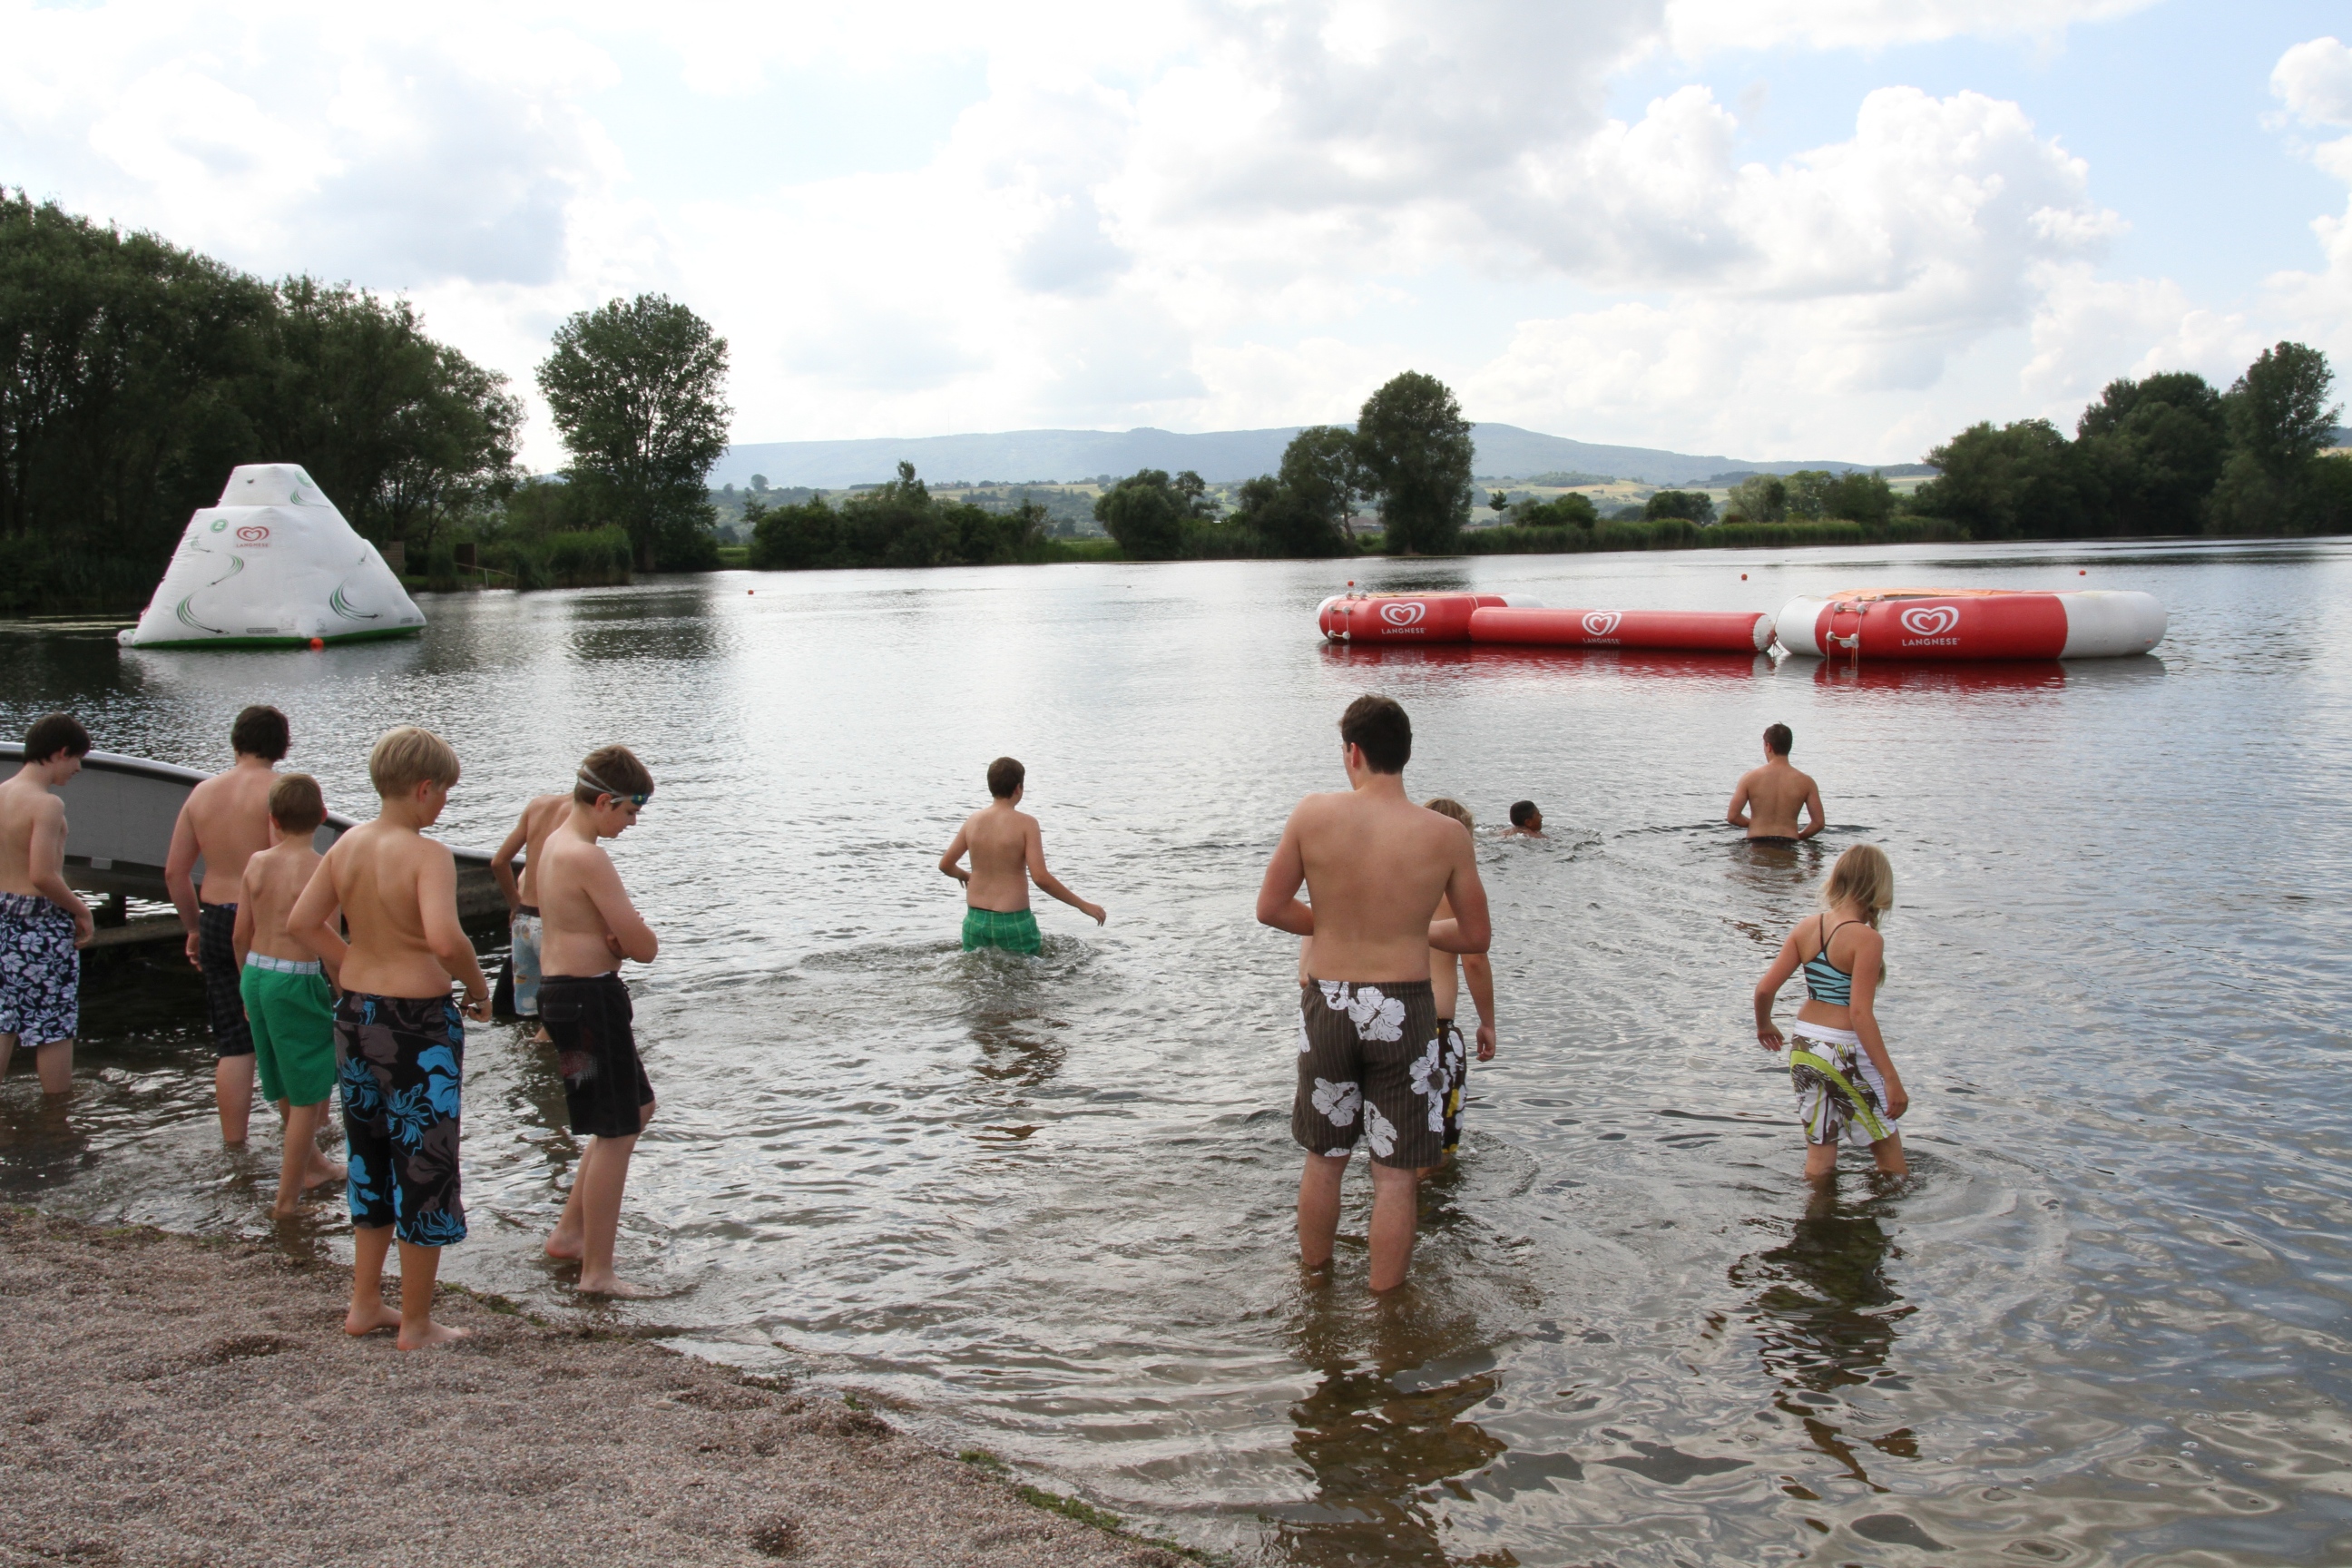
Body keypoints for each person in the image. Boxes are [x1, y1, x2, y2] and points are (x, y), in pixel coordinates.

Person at [1255, 695, 1490, 1292]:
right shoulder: (1446, 835)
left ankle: (1314, 1285)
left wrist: (1333, 923)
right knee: (1395, 1175)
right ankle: (1386, 1310)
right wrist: (1409, 929)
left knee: (1326, 1159)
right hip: (1405, 1008)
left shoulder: (1312, 815)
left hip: (1329, 1002)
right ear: (1404, 756)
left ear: (1352, 753)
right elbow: (1476, 935)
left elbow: (1272, 909)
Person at [289, 727, 490, 1350]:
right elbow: (444, 939)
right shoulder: (426, 854)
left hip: (355, 1017)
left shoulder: (346, 845)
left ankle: (365, 1304)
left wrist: (351, 963)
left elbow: (300, 921)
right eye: (446, 793)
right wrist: (478, 988)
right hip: (416, 1027)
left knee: (370, 1158)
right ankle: (418, 1322)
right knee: (423, 1163)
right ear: (424, 788)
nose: (445, 805)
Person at [534, 746, 662, 1298]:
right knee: (617, 1130)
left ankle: (569, 1233)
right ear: (605, 801)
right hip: (588, 1003)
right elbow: (644, 946)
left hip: (563, 999)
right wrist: (622, 940)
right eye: (630, 813)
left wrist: (606, 937)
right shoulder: (587, 856)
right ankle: (598, 1272)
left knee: (635, 1109)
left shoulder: (553, 845)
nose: (631, 825)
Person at [165, 704, 289, 1144]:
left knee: (234, 1043)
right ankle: (304, 1141)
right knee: (281, 1035)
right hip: (262, 923)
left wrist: (193, 928)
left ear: (236, 740)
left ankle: (233, 1146)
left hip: (216, 918)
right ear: (282, 746)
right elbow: (281, 865)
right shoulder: (281, 792)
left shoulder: (201, 794)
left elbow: (175, 873)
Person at [1752, 843, 1907, 1181]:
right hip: (1844, 1050)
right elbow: (1860, 1015)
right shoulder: (1865, 938)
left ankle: (1815, 1226)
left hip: (1805, 1047)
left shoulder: (1808, 927)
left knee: (1820, 1158)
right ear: (1878, 886)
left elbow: (1765, 989)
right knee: (1892, 1165)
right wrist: (1891, 1079)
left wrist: (1765, 1026)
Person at [231, 773, 345, 1217]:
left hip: (257, 973)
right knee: (308, 1094)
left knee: (281, 1073)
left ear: (273, 819)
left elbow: (241, 934)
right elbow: (328, 941)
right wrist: (346, 995)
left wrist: (245, 986)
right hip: (296, 979)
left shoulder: (257, 862)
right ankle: (287, 1201)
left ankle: (314, 1164)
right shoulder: (321, 870)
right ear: (321, 816)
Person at [0, 714, 94, 1096]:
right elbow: (42, 874)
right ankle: (57, 1118)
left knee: (3, 1018)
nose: (78, 768)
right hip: (38, 923)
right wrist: (81, 909)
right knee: (54, 1024)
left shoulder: (2, 791)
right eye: (76, 759)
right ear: (60, 752)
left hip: (2, 915)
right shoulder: (46, 804)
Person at [937, 757, 1105, 954]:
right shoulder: (1026, 824)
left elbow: (945, 865)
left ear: (991, 787)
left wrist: (964, 875)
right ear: (1018, 788)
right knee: (1024, 980)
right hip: (1013, 922)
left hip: (975, 922)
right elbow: (1041, 878)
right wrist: (1082, 905)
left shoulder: (973, 821)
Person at [1420, 799, 1496, 1166]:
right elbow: (1475, 959)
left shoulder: (1396, 880)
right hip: (1435, 1030)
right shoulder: (1456, 890)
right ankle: (1430, 1216)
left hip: (1384, 1019)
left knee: (1391, 1138)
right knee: (1437, 1143)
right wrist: (1487, 1022)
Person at [491, 790, 571, 1040]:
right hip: (550, 926)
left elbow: (498, 862)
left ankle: (531, 1071)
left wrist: (516, 906)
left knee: (526, 1019)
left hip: (523, 923)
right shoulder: (578, 817)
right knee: (559, 1017)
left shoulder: (538, 805)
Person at [1726, 723, 1825, 845]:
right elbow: (1818, 823)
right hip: (1790, 843)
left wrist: (1755, 823)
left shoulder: (1749, 778)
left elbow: (1732, 816)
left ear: (1769, 746)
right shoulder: (1806, 782)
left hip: (1756, 842)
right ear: (1789, 746)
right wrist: (1799, 836)